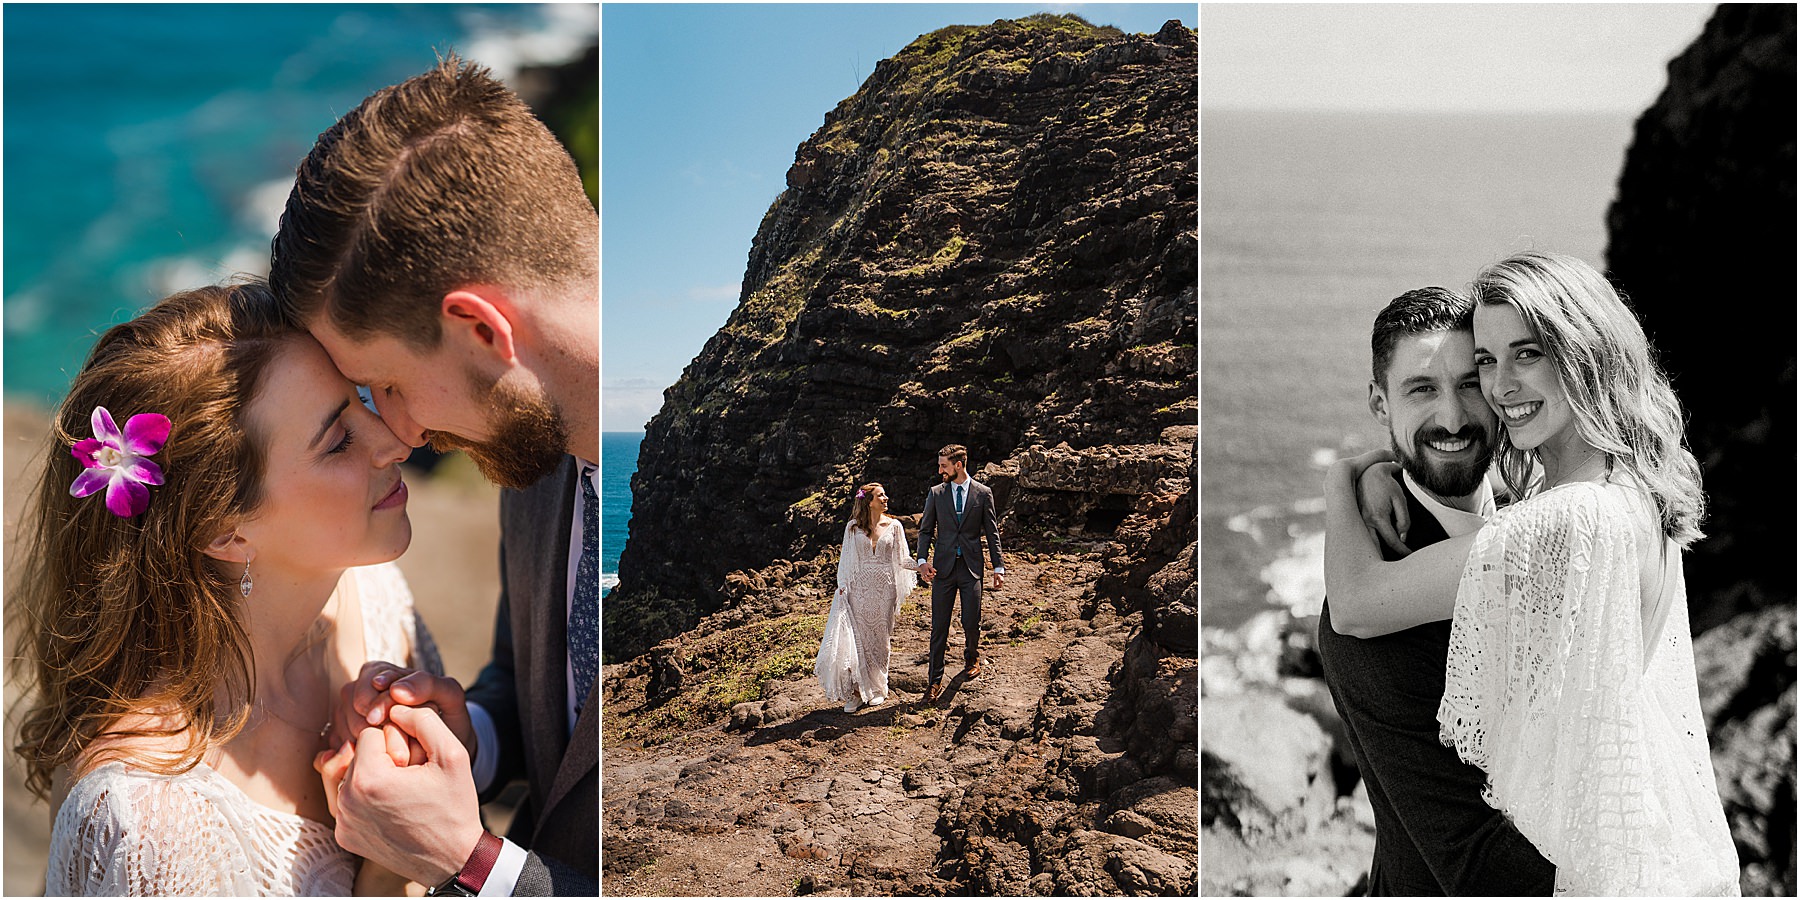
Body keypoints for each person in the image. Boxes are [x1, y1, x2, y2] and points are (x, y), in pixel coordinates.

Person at [268, 54, 598, 895]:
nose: (400, 433)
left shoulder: (742, 486)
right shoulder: (531, 453)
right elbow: (544, 701)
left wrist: (471, 860)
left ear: (481, 331)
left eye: (388, 386)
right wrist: (465, 734)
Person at [1325, 252, 1739, 895]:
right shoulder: (1627, 494)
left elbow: (1357, 600)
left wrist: (1344, 474)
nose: (1487, 395)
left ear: (1583, 355)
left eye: (1525, 355)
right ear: (1380, 403)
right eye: (1489, 361)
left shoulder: (1565, 523)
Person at [12, 282, 439, 896]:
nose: (395, 441)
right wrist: (393, 870)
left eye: (361, 401)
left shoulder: (376, 596)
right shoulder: (148, 824)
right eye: (338, 440)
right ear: (224, 531)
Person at [1315, 286, 1554, 894]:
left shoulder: (1545, 519)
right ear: (1379, 402)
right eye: (1421, 389)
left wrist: (1354, 472)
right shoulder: (1371, 614)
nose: (1451, 418)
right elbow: (1475, 863)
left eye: (1469, 383)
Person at [816, 483, 918, 712]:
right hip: (858, 591)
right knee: (856, 641)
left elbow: (903, 559)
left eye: (884, 495)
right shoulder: (853, 528)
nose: (886, 498)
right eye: (880, 495)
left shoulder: (895, 526)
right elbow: (845, 559)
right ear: (869, 501)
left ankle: (878, 688)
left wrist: (922, 568)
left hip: (884, 591)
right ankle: (856, 692)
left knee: (880, 641)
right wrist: (842, 587)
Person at [915, 444, 1004, 704]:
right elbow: (925, 529)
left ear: (959, 465)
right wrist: (922, 561)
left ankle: (971, 656)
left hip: (972, 567)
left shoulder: (983, 493)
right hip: (942, 568)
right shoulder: (936, 493)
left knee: (970, 620)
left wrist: (998, 567)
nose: (939, 470)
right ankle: (934, 681)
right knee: (939, 627)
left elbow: (992, 532)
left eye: (944, 465)